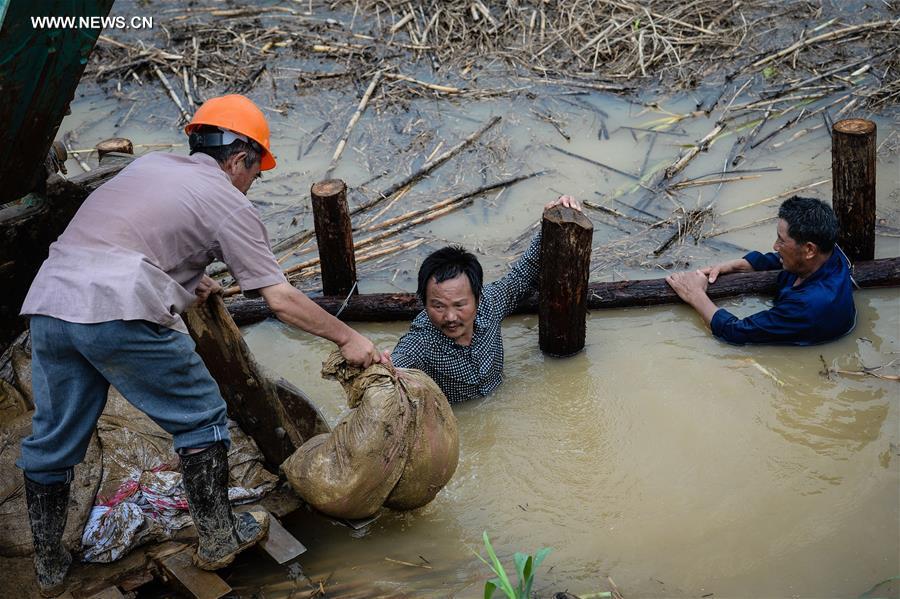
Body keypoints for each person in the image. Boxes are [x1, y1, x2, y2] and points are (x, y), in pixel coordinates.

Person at [17, 94, 386, 596]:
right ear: (239, 160)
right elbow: (279, 299)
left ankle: (49, 565)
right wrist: (349, 337)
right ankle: (217, 537)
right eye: (254, 175)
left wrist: (188, 279)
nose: (250, 185)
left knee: (54, 439)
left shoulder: (150, 167)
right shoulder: (227, 200)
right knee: (202, 416)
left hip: (51, 301)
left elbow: (135, 237)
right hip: (120, 307)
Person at [391, 195, 582, 403]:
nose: (450, 316)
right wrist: (383, 367)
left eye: (460, 304)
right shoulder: (421, 341)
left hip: (502, 401)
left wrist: (551, 221)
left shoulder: (490, 304)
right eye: (438, 306)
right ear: (425, 303)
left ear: (477, 298)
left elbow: (523, 274)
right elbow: (396, 366)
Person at [665, 196, 856, 345]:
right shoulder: (829, 251)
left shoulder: (809, 305)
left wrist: (696, 295)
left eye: (781, 240)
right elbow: (785, 260)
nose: (775, 246)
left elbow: (736, 332)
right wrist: (744, 263)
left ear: (809, 250)